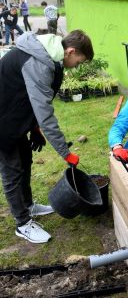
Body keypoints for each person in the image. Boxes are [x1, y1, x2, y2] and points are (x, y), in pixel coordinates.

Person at [0, 30, 94, 244]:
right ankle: (22, 223)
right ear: (70, 51)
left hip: (12, 114)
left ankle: (27, 204)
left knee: (24, 158)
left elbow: (28, 96)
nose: (77, 67)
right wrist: (66, 153)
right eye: (78, 62)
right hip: (3, 121)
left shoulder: (47, 54)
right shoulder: (40, 63)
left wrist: (33, 129)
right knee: (12, 170)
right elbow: (45, 114)